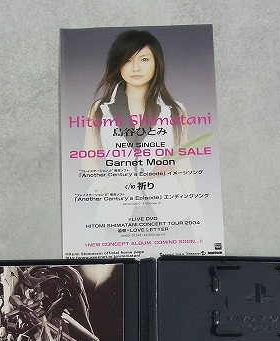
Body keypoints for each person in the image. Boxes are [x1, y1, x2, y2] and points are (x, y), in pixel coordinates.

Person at [83, 29, 199, 220]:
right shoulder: (99, 109)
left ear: (156, 63)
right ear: (118, 64)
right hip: (117, 210)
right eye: (128, 60)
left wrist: (196, 216)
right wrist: (103, 185)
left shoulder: (175, 110)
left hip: (171, 211)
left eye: (144, 59)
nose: (135, 68)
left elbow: (182, 163)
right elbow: (88, 158)